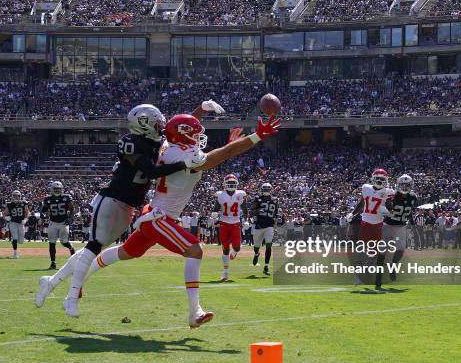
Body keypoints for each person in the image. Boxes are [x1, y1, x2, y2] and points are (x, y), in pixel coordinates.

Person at [76, 113, 281, 327]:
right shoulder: (182, 155)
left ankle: (81, 277)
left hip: (156, 214)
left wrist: (205, 117)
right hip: (159, 218)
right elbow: (225, 153)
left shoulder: (170, 147)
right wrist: (257, 136)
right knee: (195, 250)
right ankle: (195, 313)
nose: (199, 136)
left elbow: (216, 150)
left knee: (126, 252)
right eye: (194, 133)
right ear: (183, 135)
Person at [34, 102, 219, 308]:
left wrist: (200, 111)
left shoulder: (156, 143)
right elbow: (150, 171)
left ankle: (50, 283)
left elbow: (178, 130)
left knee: (95, 249)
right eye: (157, 122)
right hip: (113, 200)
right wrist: (183, 163)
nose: (162, 125)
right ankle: (71, 297)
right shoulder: (130, 142)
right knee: (92, 248)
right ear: (145, 124)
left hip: (129, 206)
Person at [377, 174, 417, 289]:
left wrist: (414, 226)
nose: (404, 187)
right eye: (402, 185)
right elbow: (383, 208)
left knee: (400, 250)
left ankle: (393, 266)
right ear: (398, 185)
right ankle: (378, 277)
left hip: (401, 226)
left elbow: (409, 213)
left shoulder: (413, 197)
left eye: (407, 185)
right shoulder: (392, 196)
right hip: (388, 225)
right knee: (382, 251)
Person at [215, 174, 247, 281]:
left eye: (233, 183)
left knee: (237, 247)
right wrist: (214, 213)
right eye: (229, 183)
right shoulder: (220, 194)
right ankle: (225, 273)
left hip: (235, 223)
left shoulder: (240, 194)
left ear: (236, 183)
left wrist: (246, 220)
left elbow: (245, 209)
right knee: (225, 249)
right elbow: (216, 207)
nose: (231, 185)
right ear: (225, 184)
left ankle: (234, 253)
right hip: (224, 222)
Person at [41, 181, 76, 269]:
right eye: (55, 189)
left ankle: (71, 249)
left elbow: (72, 209)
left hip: (63, 222)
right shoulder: (48, 199)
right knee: (52, 242)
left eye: (58, 189)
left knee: (64, 242)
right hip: (53, 222)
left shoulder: (66, 197)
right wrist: (43, 214)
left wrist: (70, 218)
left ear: (62, 189)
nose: (57, 191)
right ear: (52, 190)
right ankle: (53, 263)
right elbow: (43, 209)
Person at [251, 182, 279, 276]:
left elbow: (276, 213)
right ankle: (256, 254)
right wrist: (258, 211)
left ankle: (266, 267)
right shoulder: (257, 199)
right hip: (259, 225)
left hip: (269, 226)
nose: (266, 191)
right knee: (256, 246)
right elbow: (252, 211)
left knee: (268, 245)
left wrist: (275, 224)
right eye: (265, 189)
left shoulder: (275, 200)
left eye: (268, 189)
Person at [3, 190, 30, 259]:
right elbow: (4, 213)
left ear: (20, 196)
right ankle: (15, 253)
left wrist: (25, 219)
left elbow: (27, 212)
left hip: (21, 223)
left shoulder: (24, 203)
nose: (16, 197)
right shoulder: (9, 204)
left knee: (21, 241)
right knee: (15, 238)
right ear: (12, 196)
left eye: (17, 196)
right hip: (13, 223)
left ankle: (15, 242)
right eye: (14, 196)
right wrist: (6, 217)